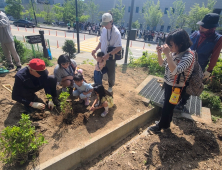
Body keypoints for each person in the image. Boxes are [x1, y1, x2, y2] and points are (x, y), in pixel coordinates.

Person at [147, 29, 195, 133]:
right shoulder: (175, 53)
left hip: (178, 87)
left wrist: (168, 54)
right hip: (169, 84)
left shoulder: (188, 56)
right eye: (168, 44)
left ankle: (159, 126)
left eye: (171, 44)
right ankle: (166, 126)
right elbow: (162, 64)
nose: (169, 46)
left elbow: (175, 71)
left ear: (181, 43)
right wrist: (160, 53)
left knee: (167, 107)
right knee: (169, 107)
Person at [176, 13, 222, 111]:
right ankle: (175, 98)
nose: (200, 27)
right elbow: (186, 46)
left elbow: (215, 56)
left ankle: (182, 103)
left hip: (199, 65)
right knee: (180, 80)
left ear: (211, 28)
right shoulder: (195, 33)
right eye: (201, 25)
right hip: (186, 62)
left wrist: (209, 70)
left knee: (191, 84)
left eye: (204, 26)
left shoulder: (217, 39)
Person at [91, 12, 122, 93]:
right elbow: (101, 42)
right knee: (99, 69)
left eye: (106, 24)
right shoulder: (104, 29)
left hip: (111, 57)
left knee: (110, 71)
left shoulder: (116, 33)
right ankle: (97, 83)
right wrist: (95, 49)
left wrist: (109, 54)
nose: (104, 26)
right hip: (102, 55)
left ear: (111, 21)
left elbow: (119, 47)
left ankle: (110, 85)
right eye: (103, 24)